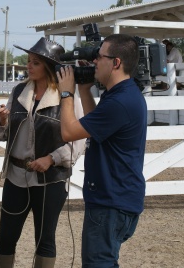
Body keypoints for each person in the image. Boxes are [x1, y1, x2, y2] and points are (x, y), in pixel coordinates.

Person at [0, 37, 85, 268]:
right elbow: (4, 136)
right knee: (5, 238)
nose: (29, 66)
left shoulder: (67, 96)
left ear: (48, 66)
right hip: (15, 177)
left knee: (44, 240)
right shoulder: (19, 91)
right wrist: (3, 121)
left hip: (50, 180)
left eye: (35, 62)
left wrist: (52, 159)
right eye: (28, 61)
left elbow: (80, 136)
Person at [56, 34, 147, 267]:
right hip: (118, 198)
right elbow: (94, 125)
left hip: (111, 202)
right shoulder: (121, 94)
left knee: (99, 263)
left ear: (116, 62)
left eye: (99, 56)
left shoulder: (120, 102)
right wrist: (85, 91)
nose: (94, 61)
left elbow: (69, 132)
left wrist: (67, 92)